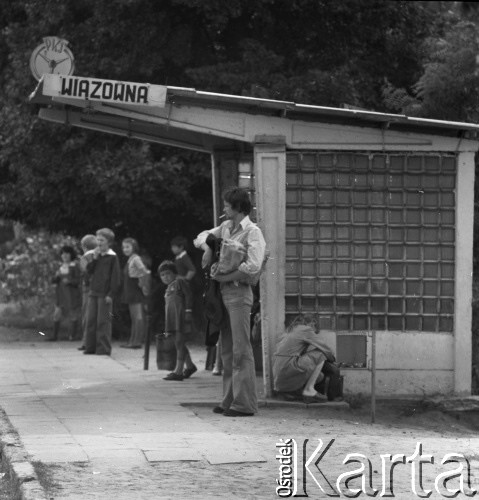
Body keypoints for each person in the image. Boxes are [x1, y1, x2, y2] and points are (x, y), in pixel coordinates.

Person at [194, 186, 266, 417]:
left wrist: (225, 276)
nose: (224, 209)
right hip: (223, 291)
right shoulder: (226, 227)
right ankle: (229, 400)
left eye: (227, 205)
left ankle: (244, 403)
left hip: (238, 291)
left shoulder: (253, 232)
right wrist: (208, 247)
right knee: (226, 349)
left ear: (237, 208)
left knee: (240, 350)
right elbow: (201, 236)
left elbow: (253, 266)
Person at [272, 322, 336, 403]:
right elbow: (324, 347)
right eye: (315, 332)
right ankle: (309, 391)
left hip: (279, 375)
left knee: (319, 376)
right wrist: (332, 359)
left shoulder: (292, 329)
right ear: (312, 324)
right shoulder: (306, 329)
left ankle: (292, 392)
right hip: (288, 366)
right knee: (320, 354)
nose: (314, 334)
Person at [84, 228, 121, 355]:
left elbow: (115, 278)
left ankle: (103, 349)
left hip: (105, 294)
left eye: (102, 240)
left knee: (103, 322)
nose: (99, 242)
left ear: (109, 242)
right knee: (91, 321)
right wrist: (94, 258)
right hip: (93, 292)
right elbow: (89, 271)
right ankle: (90, 347)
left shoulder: (112, 257)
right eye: (97, 239)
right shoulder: (96, 255)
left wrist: (111, 294)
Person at [158, 260, 197, 381]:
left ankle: (178, 371)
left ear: (175, 273)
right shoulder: (168, 288)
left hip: (180, 317)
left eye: (168, 273)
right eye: (162, 275)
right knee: (178, 343)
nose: (165, 277)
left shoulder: (179, 282)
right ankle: (190, 366)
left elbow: (189, 296)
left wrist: (188, 311)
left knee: (179, 342)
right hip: (172, 320)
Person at [120, 237, 150, 349]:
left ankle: (137, 342)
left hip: (135, 291)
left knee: (138, 318)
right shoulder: (130, 259)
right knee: (134, 318)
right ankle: (132, 341)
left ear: (134, 247)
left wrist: (142, 284)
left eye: (128, 247)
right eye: (123, 247)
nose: (125, 249)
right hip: (130, 291)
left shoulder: (135, 258)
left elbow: (145, 272)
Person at [49, 245, 82, 341]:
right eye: (63, 253)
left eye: (67, 253)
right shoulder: (60, 266)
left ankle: (72, 336)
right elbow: (53, 281)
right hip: (61, 294)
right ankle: (54, 336)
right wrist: (56, 278)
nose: (64, 255)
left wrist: (70, 281)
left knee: (73, 314)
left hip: (71, 294)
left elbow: (78, 280)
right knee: (57, 314)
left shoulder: (74, 266)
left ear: (71, 254)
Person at [77, 234, 97, 351]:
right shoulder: (99, 255)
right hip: (98, 288)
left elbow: (85, 272)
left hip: (87, 288)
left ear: (83, 246)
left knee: (86, 315)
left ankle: (86, 341)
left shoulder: (85, 257)